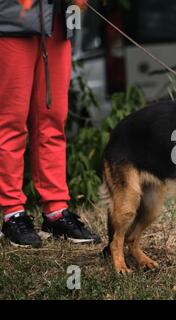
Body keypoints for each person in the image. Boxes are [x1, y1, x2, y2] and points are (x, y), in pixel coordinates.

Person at [0, 0, 99, 247]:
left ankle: (55, 211)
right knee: (11, 122)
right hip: (11, 23)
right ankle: (12, 213)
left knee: (53, 119)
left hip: (57, 23)